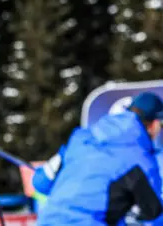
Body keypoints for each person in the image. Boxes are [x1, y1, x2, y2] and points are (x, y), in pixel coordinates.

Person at [32, 92, 163, 226]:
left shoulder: (81, 138)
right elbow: (153, 212)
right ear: (154, 124)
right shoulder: (141, 160)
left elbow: (41, 182)